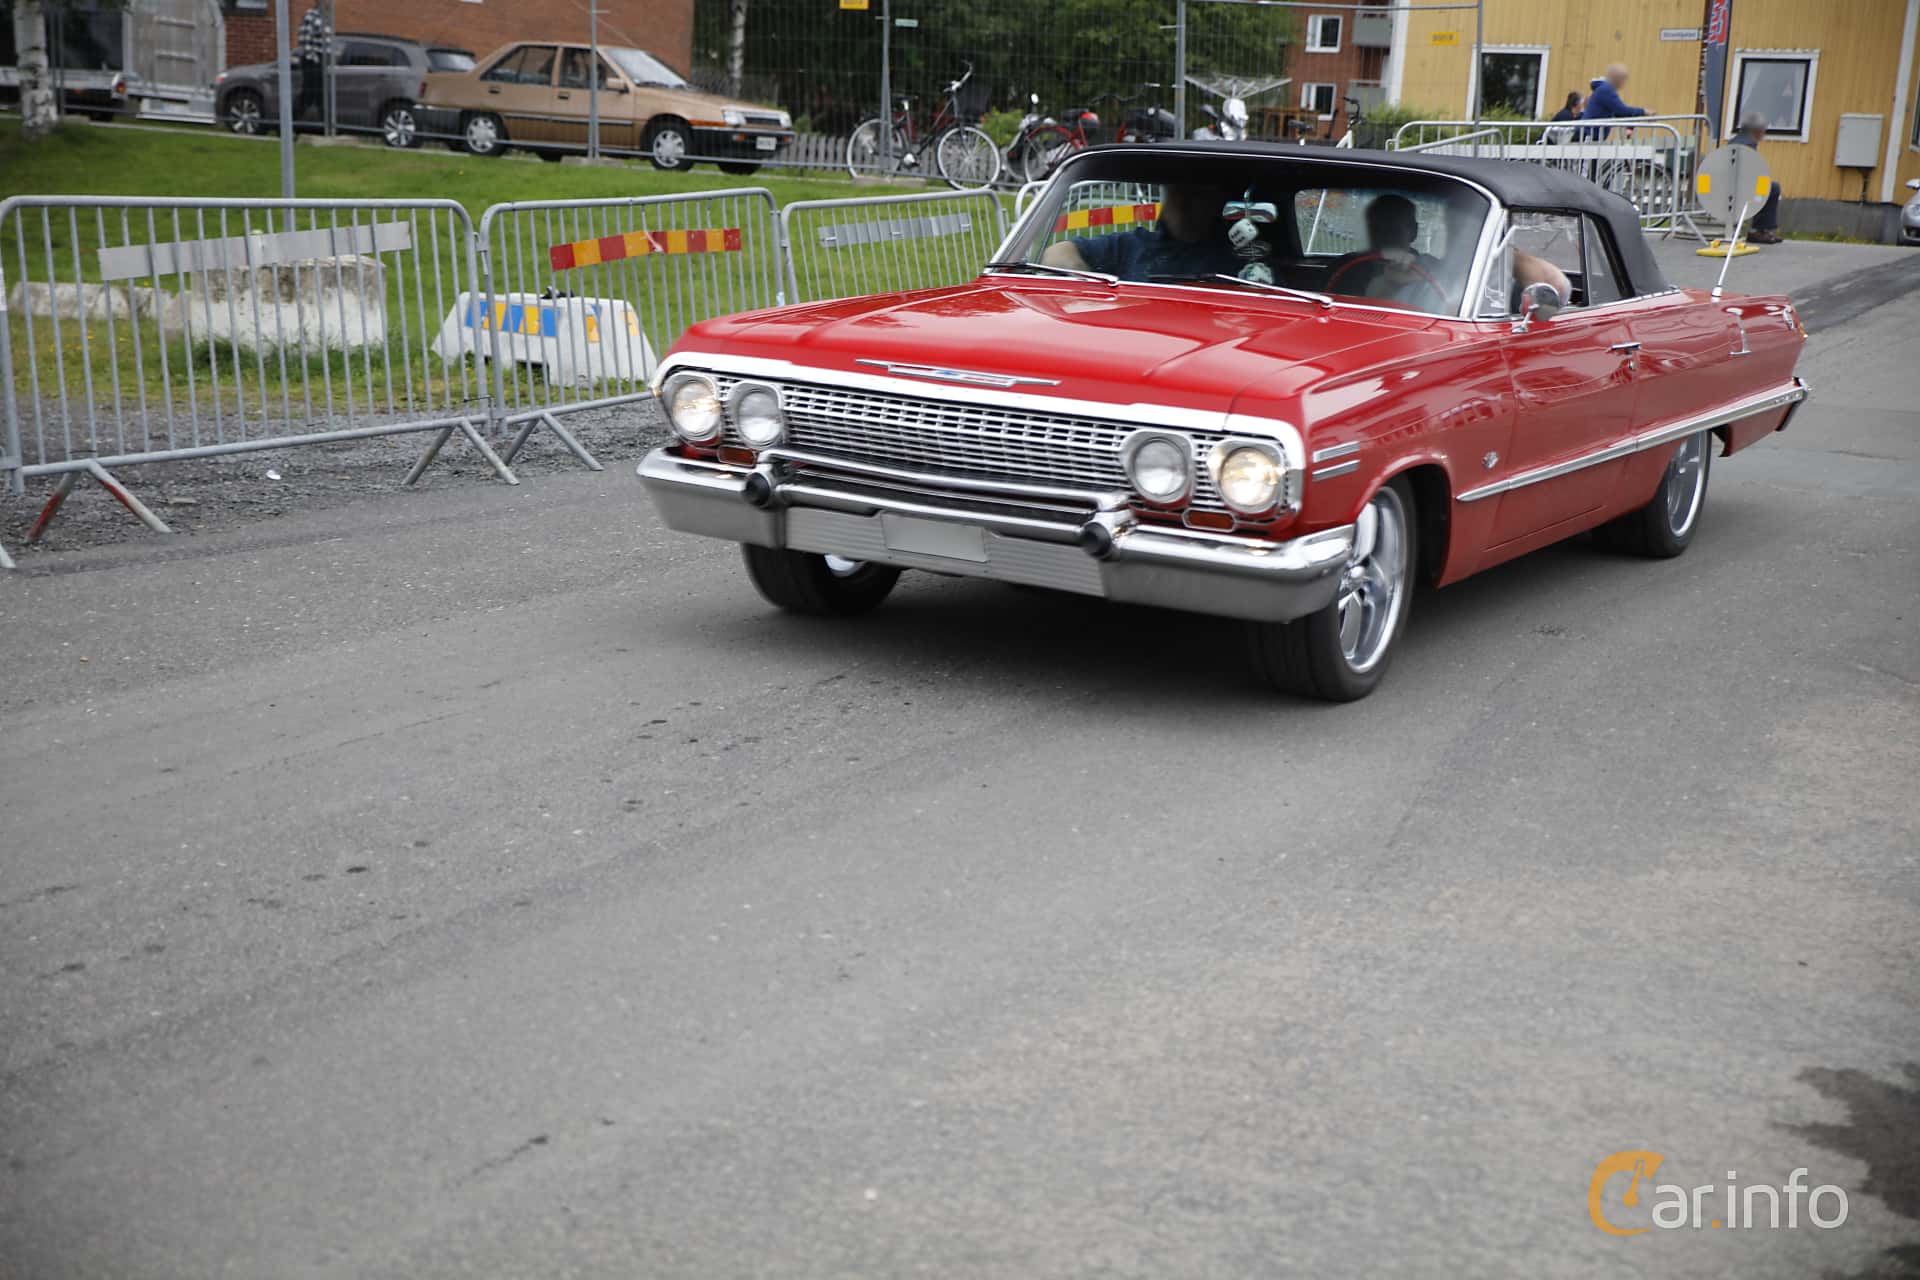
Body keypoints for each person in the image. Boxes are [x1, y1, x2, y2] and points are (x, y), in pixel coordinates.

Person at [1040, 184, 1241, 281]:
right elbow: (1057, 254)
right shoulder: (1134, 245)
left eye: (1197, 196)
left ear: (1218, 203)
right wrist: (1089, 290)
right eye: (1176, 193)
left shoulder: (1243, 258)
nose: (1183, 205)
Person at [1732, 112, 1784, 244]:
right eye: (1763, 131)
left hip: (1730, 184)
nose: (1763, 134)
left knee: (1766, 186)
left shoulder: (1735, 140)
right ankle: (1758, 230)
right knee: (1772, 188)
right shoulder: (1748, 143)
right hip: (1740, 186)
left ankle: (1760, 230)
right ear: (1757, 130)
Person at [1579, 64, 1648, 139]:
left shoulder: (1605, 89)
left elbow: (1619, 113)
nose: (1624, 82)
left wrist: (1630, 126)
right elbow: (1622, 110)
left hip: (1590, 135)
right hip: (1588, 136)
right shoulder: (1606, 90)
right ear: (1616, 78)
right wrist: (1644, 111)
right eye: (1623, 78)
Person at [295, 2, 330, 123]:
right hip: (313, 61)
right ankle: (292, 121)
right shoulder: (311, 15)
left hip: (322, 60)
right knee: (310, 93)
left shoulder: (324, 17)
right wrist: (313, 58)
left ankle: (325, 123)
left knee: (320, 94)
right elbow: (304, 39)